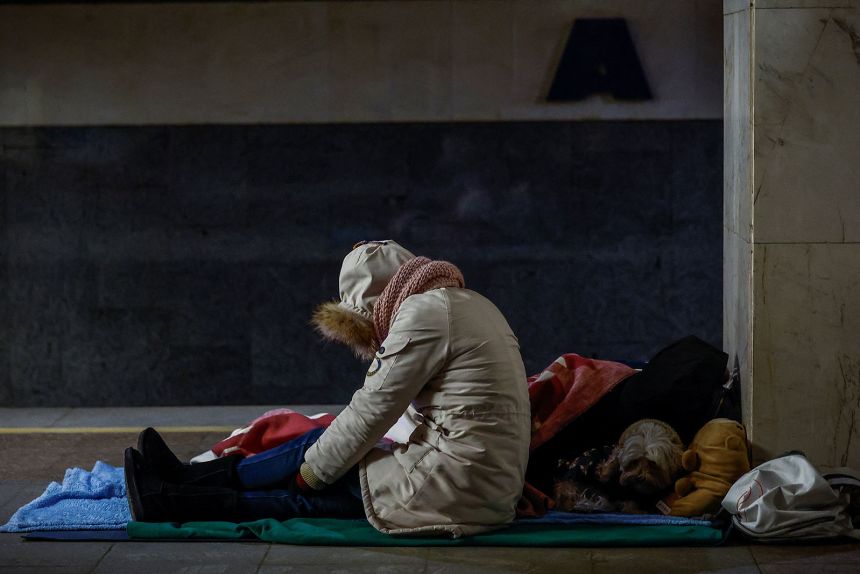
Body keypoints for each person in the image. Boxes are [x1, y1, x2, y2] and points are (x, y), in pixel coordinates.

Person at [124, 240, 530, 537]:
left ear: (376, 301)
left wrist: (312, 473)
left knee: (315, 481)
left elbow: (372, 408)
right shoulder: (465, 302)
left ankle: (179, 492)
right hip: (478, 485)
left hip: (453, 485)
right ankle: (182, 483)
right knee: (331, 463)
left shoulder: (425, 313)